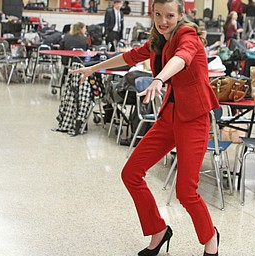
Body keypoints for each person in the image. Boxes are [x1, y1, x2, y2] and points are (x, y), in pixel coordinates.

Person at [71, 0, 220, 255]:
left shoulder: (188, 35)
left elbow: (182, 59)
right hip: (170, 117)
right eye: (158, 15)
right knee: (131, 173)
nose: (163, 21)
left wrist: (160, 79)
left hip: (194, 118)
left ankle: (210, 237)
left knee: (186, 192)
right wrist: (94, 68)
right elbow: (128, 57)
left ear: (181, 15)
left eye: (170, 16)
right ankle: (159, 230)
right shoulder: (157, 40)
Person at [59, 22, 89, 86]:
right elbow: (86, 49)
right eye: (85, 28)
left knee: (66, 65)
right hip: (80, 62)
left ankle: (62, 82)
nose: (86, 30)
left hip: (67, 61)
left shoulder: (66, 37)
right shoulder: (84, 39)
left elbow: (61, 48)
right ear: (80, 29)